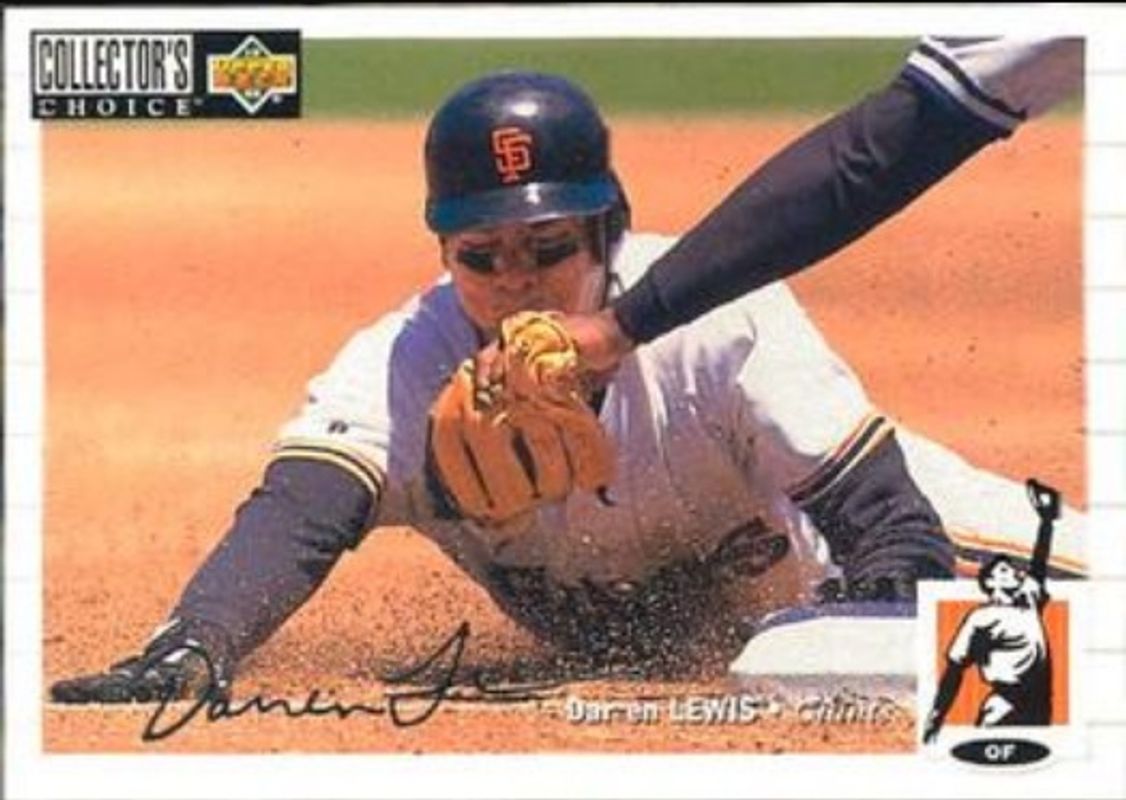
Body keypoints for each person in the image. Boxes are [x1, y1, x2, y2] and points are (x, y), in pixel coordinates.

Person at [50, 65, 1079, 706]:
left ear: (607, 234)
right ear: (443, 252)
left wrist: (888, 629)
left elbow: (893, 530)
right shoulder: (402, 365)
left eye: (547, 248)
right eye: (480, 256)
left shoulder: (716, 319)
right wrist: (195, 642)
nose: (515, 282)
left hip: (855, 562)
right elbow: (297, 514)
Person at [923, 480, 1060, 743]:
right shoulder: (982, 618)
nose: (1015, 573)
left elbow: (1038, 566)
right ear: (991, 582)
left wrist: (1046, 521)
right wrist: (936, 717)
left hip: (1040, 705)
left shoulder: (1029, 602)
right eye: (1005, 570)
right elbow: (955, 669)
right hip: (1005, 705)